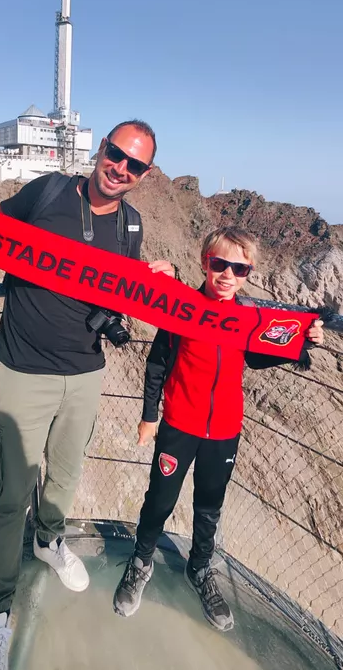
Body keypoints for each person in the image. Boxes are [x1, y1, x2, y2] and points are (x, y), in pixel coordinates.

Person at [0, 120, 175, 670]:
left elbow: (118, 287)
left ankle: (50, 540)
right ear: (101, 149)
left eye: (134, 165)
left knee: (66, 475)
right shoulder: (47, 191)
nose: (120, 168)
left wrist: (150, 275)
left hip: (86, 373)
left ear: (143, 176)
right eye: (116, 153)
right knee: (8, 499)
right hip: (23, 369)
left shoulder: (132, 225)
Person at [113, 226, 324, 631]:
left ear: (250, 271)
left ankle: (200, 569)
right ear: (204, 263)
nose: (227, 274)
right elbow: (158, 361)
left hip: (225, 429)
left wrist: (304, 343)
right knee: (160, 499)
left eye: (239, 268)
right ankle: (141, 563)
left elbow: (257, 357)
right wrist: (149, 414)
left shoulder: (246, 317)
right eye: (219, 264)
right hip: (179, 423)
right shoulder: (183, 307)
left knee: (209, 507)